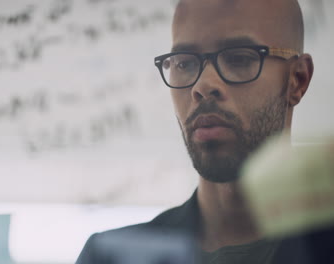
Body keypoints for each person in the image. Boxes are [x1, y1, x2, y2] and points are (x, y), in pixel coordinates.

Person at [75, 0, 316, 263]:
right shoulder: (111, 258)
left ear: (298, 80)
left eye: (239, 58)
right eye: (184, 64)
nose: (202, 85)